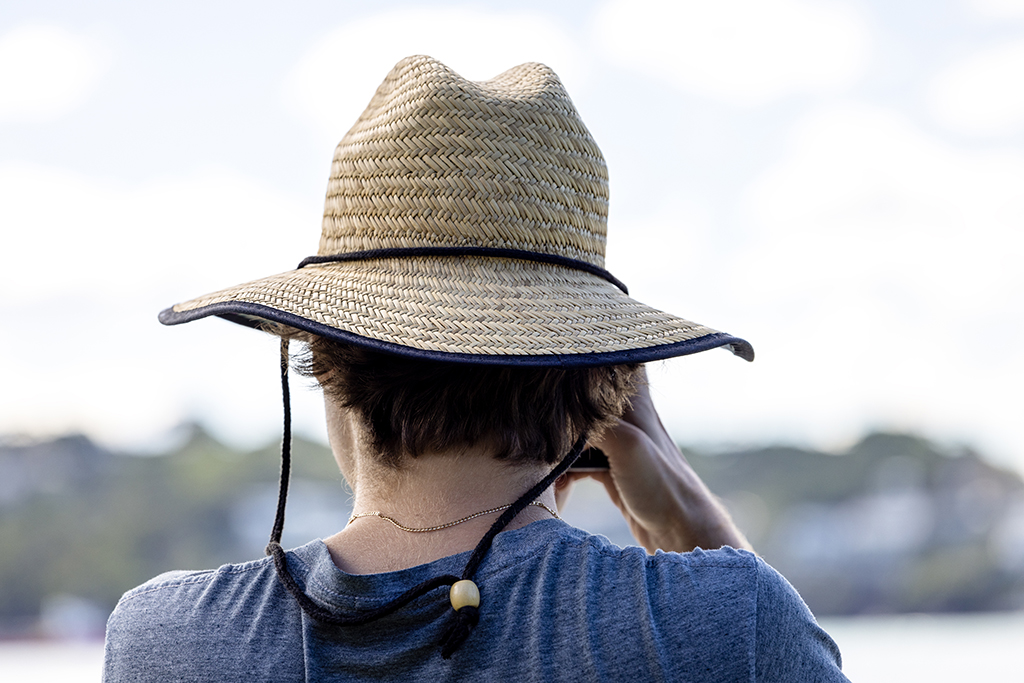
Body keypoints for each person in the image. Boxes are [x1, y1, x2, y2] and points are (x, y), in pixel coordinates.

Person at [102, 55, 848, 681]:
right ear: (599, 392)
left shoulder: (161, 641)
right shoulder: (727, 624)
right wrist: (684, 507)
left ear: (321, 357)